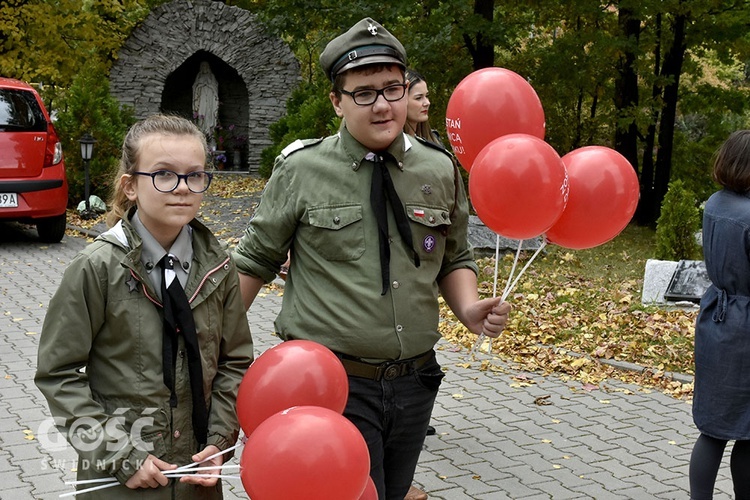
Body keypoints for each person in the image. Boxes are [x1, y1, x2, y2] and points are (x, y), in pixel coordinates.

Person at [232, 18, 510, 500]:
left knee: (394, 491)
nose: (382, 104)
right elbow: (255, 259)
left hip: (415, 382)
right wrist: (213, 348)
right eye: (363, 93)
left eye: (392, 88)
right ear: (337, 101)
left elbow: (453, 254)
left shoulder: (438, 167)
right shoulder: (302, 169)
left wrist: (468, 309)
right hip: (330, 385)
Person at [35, 114, 254, 499]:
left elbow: (235, 362)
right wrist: (119, 454)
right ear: (130, 186)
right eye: (164, 174)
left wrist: (220, 441)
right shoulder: (97, 268)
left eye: (195, 175)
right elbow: (59, 373)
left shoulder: (220, 267)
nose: (182, 188)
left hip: (196, 480)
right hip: (122, 482)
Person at [689, 129, 750, 500]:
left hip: (716, 316)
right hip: (744, 326)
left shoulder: (715, 202)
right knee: (747, 428)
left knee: (713, 428)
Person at [403, 68, 442, 147]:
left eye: (426, 96)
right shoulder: (393, 146)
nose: (427, 103)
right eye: (418, 98)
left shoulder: (434, 140)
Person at [193, 61, 220, 144]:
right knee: (202, 114)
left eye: (206, 66)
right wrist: (200, 85)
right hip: (201, 99)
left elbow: (215, 87)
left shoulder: (211, 76)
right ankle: (201, 134)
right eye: (203, 66)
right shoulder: (199, 76)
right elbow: (194, 87)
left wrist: (209, 85)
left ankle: (211, 135)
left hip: (210, 99)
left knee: (209, 114)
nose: (204, 67)